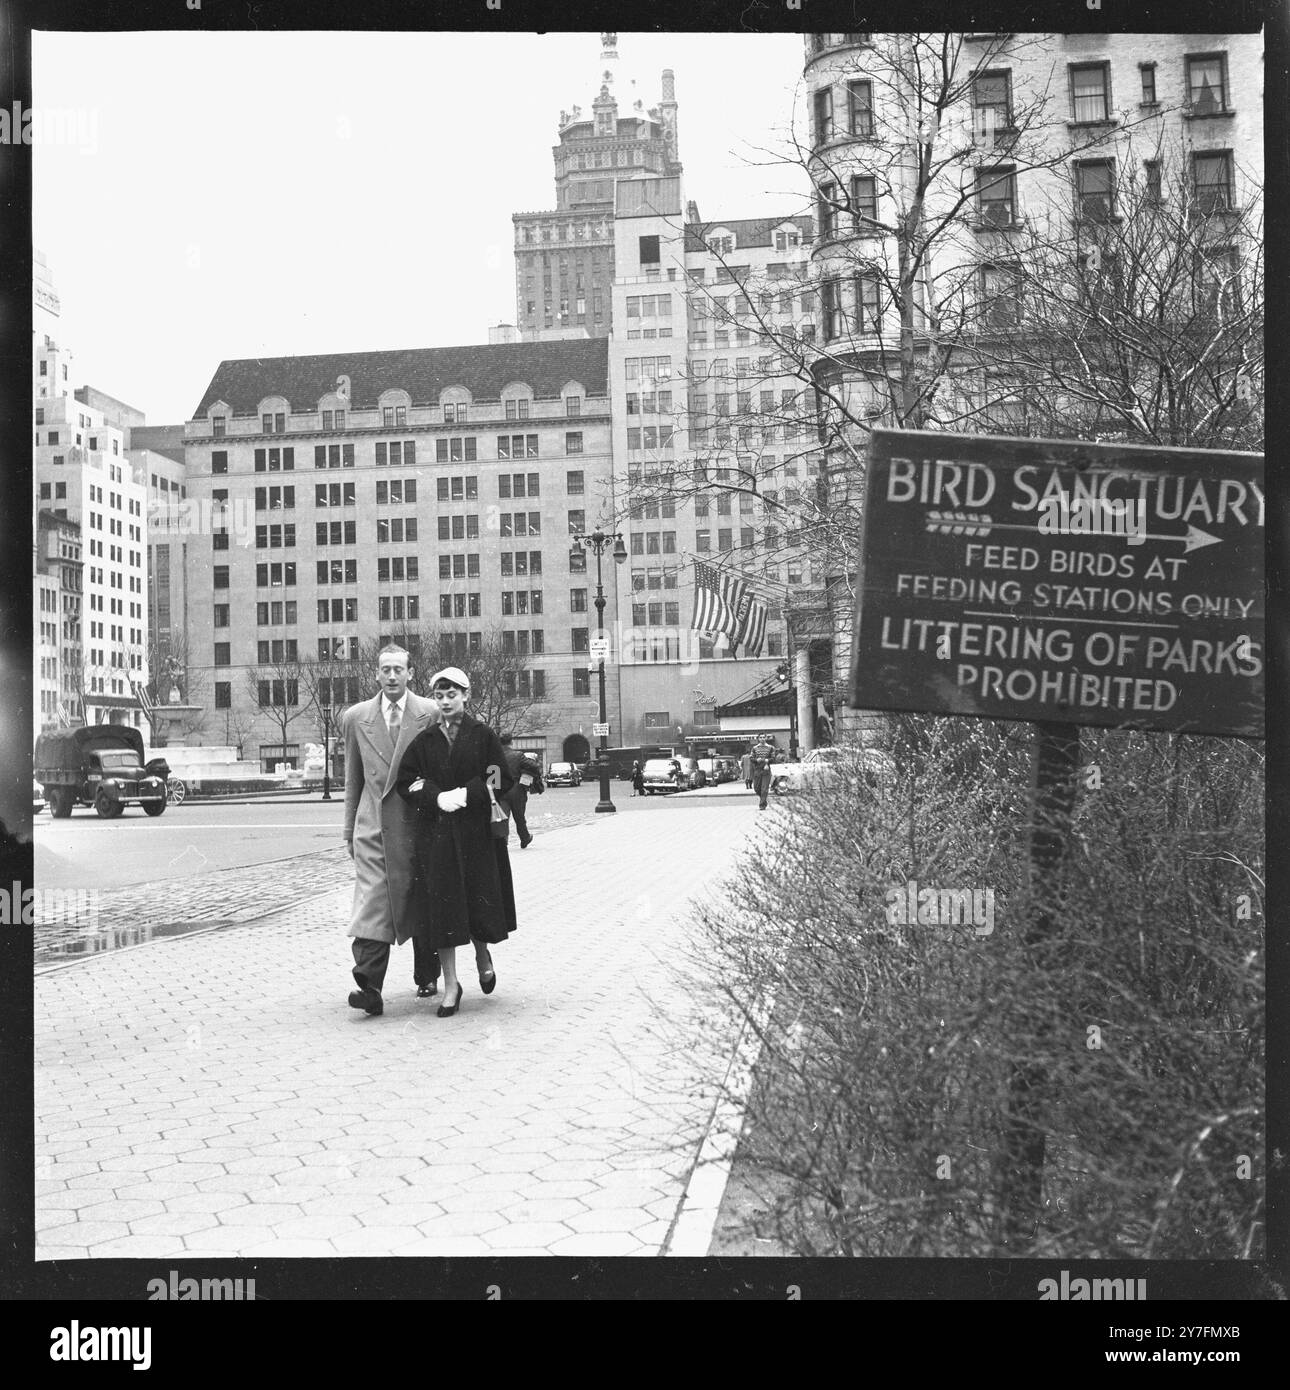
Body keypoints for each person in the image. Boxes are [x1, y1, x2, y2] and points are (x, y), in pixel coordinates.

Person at [396, 667, 517, 1018]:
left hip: (476, 834)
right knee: (442, 912)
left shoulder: (483, 735)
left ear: (465, 696)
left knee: (475, 904)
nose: (446, 702)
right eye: (440, 696)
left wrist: (471, 792)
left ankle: (482, 954)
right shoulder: (426, 740)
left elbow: (499, 774)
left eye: (452, 695)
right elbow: (408, 781)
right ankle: (451, 985)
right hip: (437, 839)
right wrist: (436, 797)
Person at [344, 645, 442, 1017]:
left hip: (419, 821)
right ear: (375, 675)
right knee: (372, 901)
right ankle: (369, 986)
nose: (391, 676)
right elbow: (353, 779)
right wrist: (348, 830)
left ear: (410, 673)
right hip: (373, 826)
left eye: (398, 670)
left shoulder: (430, 714)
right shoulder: (356, 718)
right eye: (385, 670)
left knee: (421, 896)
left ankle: (427, 974)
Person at [498, 733, 543, 848]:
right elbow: (533, 766)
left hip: (500, 790)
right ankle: (524, 838)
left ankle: (503, 842)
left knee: (503, 817)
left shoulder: (495, 755)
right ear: (511, 742)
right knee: (519, 817)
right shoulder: (518, 755)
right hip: (516, 790)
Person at [750, 736, 776, 810]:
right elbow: (751, 758)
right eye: (760, 737)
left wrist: (768, 761)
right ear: (758, 739)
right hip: (757, 769)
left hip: (766, 768)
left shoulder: (771, 747)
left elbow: (773, 758)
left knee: (764, 788)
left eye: (763, 737)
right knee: (756, 788)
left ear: (766, 738)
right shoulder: (754, 748)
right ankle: (763, 800)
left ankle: (762, 805)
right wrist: (756, 760)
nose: (762, 739)